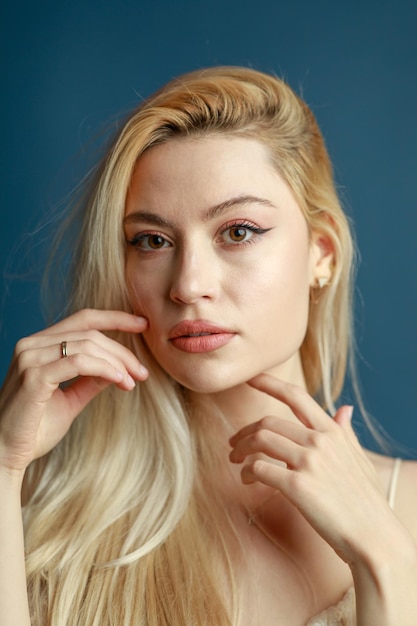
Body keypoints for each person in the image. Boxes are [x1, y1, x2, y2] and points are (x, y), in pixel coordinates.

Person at [0, 66, 416, 626]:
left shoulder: (407, 508)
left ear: (322, 254)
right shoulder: (50, 517)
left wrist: (385, 559)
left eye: (238, 231)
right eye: (153, 241)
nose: (188, 283)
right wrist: (4, 464)